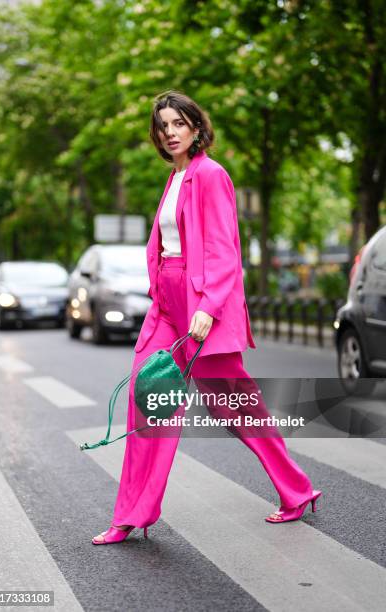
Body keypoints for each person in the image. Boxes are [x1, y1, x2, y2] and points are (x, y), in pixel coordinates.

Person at [92, 91, 321, 545]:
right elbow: (165, 248)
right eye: (163, 126)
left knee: (236, 407)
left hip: (201, 307)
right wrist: (160, 297)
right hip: (167, 305)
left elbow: (223, 249)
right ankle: (131, 514)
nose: (170, 132)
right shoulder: (173, 178)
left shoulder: (211, 175)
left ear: (196, 128)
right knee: (148, 399)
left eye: (179, 123)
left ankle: (296, 490)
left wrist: (208, 307)